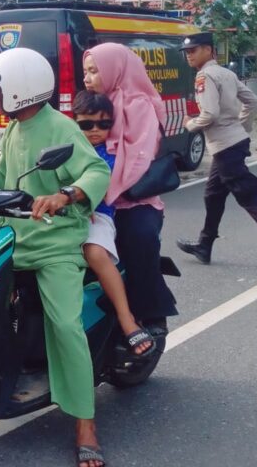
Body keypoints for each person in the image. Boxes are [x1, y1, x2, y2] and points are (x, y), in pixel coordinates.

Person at [0, 48, 111, 467]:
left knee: (65, 325)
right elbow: (4, 178)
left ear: (20, 88)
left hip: (54, 243)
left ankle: (85, 422)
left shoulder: (60, 127)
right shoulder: (13, 130)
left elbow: (97, 172)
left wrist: (65, 195)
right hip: (15, 238)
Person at [82, 43, 178, 333]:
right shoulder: (93, 104)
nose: (87, 78)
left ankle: (151, 315)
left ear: (115, 70)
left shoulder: (139, 106)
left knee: (139, 237)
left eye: (94, 71)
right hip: (98, 199)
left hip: (134, 199)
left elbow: (137, 158)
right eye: (85, 71)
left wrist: (98, 192)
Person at [174, 32, 257, 272]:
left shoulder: (205, 76)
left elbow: (210, 114)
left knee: (252, 200)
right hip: (233, 144)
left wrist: (190, 124)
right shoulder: (227, 73)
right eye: (187, 52)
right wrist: (241, 126)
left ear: (208, 50)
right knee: (213, 196)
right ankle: (204, 244)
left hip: (226, 148)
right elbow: (252, 101)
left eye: (193, 50)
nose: (189, 56)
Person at [72, 90, 155, 356]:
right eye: (86, 124)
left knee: (94, 252)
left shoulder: (109, 154)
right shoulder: (67, 148)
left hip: (98, 215)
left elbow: (102, 185)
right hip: (63, 216)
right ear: (74, 122)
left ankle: (126, 318)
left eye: (103, 124)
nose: (95, 130)